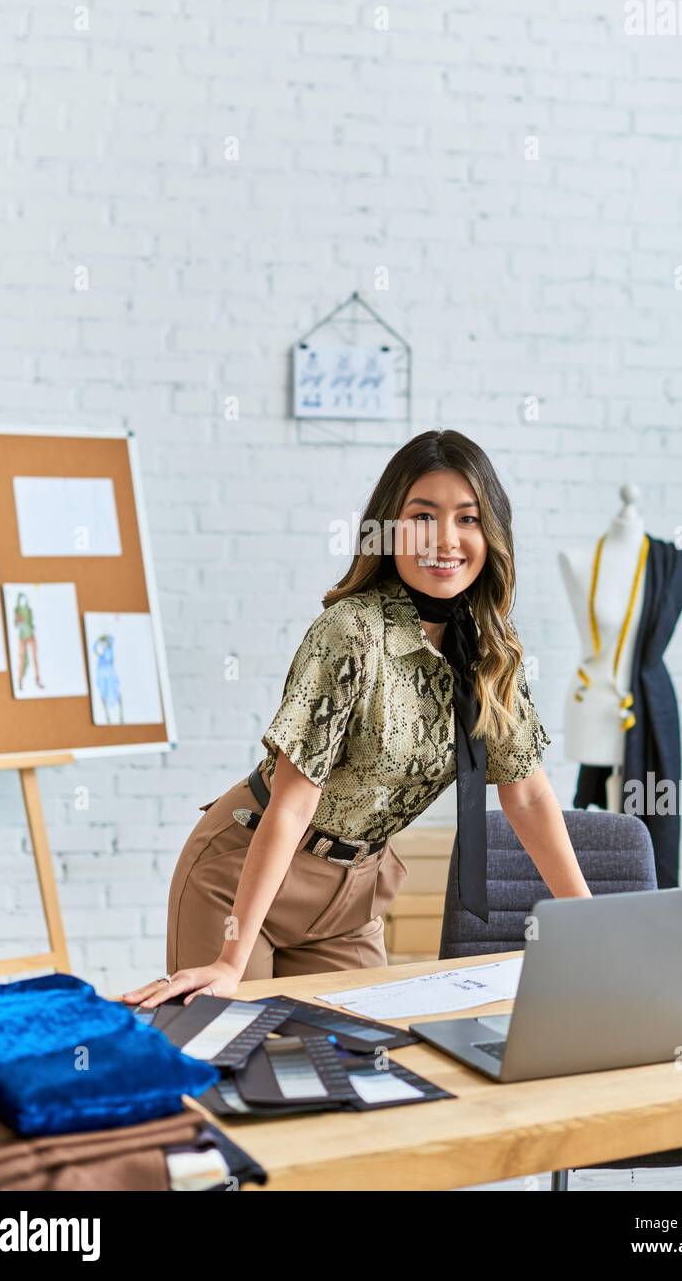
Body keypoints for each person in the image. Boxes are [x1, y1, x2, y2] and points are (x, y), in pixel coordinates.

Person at [122, 428, 592, 1011]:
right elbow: (292, 803)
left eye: (467, 518)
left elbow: (526, 797)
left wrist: (589, 925)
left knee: (365, 1057)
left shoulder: (492, 648)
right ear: (389, 526)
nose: (445, 539)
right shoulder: (351, 633)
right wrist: (229, 961)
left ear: (491, 533)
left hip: (354, 894)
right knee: (236, 1060)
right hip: (245, 877)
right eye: (424, 516)